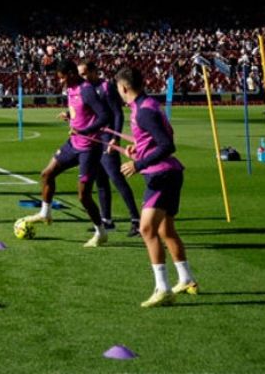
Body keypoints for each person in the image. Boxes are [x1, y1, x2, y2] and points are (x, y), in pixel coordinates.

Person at [115, 66, 198, 308]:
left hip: (162, 175)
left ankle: (163, 289)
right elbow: (152, 140)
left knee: (146, 229)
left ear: (124, 88)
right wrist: (138, 148)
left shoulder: (143, 111)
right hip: (166, 173)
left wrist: (138, 163)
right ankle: (186, 279)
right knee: (165, 231)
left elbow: (167, 145)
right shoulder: (145, 105)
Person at [20, 58, 112, 247]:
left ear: (71, 74)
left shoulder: (86, 90)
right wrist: (70, 116)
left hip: (89, 148)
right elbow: (82, 112)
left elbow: (104, 116)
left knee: (83, 196)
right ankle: (45, 213)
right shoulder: (70, 89)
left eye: (62, 78)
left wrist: (85, 131)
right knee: (47, 174)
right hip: (73, 143)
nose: (60, 81)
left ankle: (101, 232)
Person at [80, 60, 142, 237]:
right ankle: (106, 220)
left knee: (117, 178)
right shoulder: (86, 89)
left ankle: (136, 220)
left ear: (93, 72)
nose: (82, 77)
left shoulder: (106, 87)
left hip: (107, 138)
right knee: (100, 181)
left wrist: (115, 138)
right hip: (94, 140)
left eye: (84, 73)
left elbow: (117, 113)